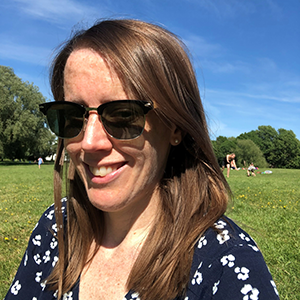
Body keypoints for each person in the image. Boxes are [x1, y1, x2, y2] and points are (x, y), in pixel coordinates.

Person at [5, 19, 279, 300]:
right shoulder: (57, 226)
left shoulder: (226, 266)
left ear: (175, 127)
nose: (89, 142)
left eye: (123, 115)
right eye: (72, 116)